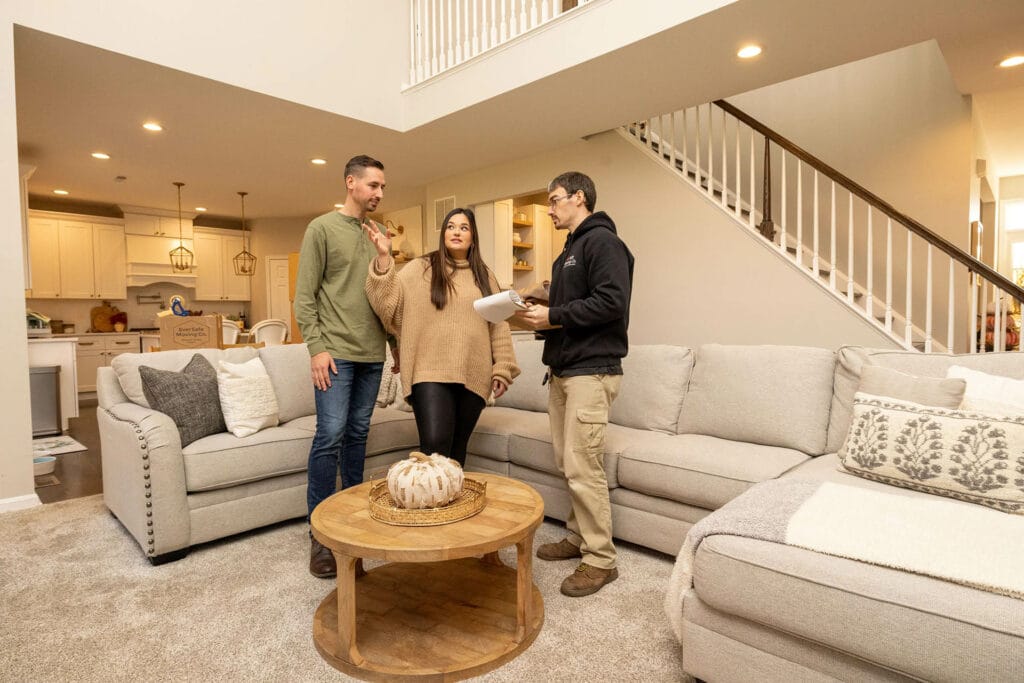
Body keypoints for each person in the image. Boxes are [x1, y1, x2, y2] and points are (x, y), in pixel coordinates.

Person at [514, 171, 634, 598]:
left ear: (578, 198)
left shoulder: (604, 243)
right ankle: (578, 535)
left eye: (554, 200)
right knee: (568, 463)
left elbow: (611, 301)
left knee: (584, 467)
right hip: (564, 370)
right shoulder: (568, 252)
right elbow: (576, 303)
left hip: (591, 370)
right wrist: (545, 301)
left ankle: (601, 560)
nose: (548, 209)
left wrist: (554, 315)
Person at [294, 154, 393, 579]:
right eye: (373, 185)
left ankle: (351, 524)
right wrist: (316, 348)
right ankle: (320, 534)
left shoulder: (380, 233)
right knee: (330, 436)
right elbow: (305, 296)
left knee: (357, 436)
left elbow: (388, 299)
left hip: (372, 355)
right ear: (350, 182)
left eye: (383, 187)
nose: (380, 193)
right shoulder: (321, 228)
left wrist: (387, 257)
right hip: (334, 353)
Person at [364, 207, 520, 467]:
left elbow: (499, 324)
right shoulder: (421, 268)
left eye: (464, 227)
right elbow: (386, 302)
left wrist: (502, 368)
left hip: (473, 373)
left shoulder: (485, 275)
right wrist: (383, 258)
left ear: (473, 237)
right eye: (450, 226)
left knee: (457, 452)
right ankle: (427, 504)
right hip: (429, 371)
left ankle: (451, 506)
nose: (456, 231)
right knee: (435, 446)